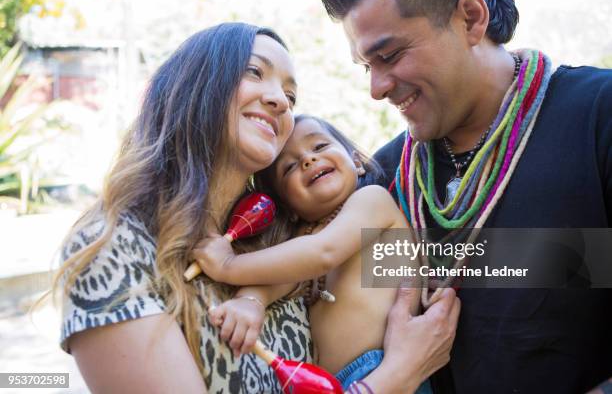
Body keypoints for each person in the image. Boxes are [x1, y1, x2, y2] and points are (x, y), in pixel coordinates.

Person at [52, 22, 460, 393]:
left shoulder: (273, 237)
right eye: (254, 72)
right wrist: (396, 376)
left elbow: (335, 259)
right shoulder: (112, 247)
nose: (282, 102)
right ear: (199, 84)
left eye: (290, 94)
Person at [317, 0, 612, 393]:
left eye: (389, 56)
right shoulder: (385, 180)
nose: (377, 88)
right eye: (367, 66)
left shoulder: (598, 116)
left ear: (471, 18)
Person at [196, 114, 435, 393]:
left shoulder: (372, 201)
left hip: (383, 368)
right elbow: (282, 278)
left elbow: (324, 253)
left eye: (319, 147)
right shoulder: (306, 239)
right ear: (289, 206)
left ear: (357, 162)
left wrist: (228, 265)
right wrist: (251, 300)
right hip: (332, 384)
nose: (308, 160)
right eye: (289, 167)